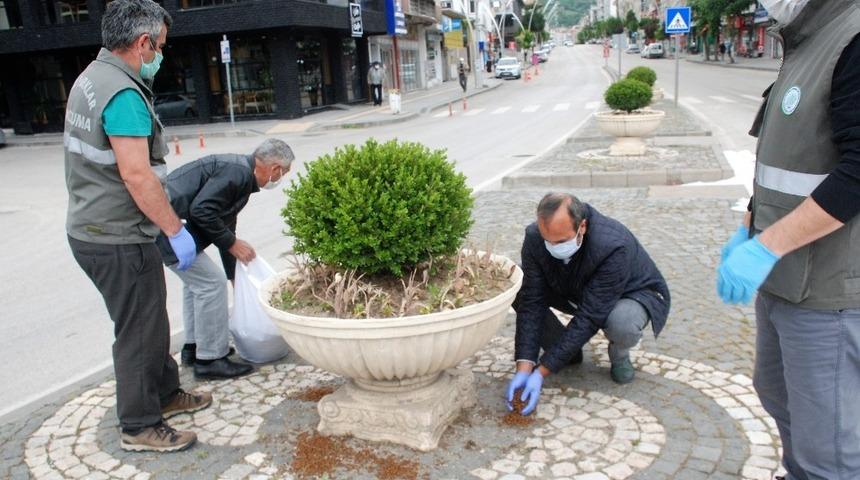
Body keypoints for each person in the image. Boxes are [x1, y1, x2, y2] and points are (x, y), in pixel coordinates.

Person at [717, 1, 860, 478]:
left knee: (831, 446)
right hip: (781, 279)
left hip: (827, 291)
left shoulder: (850, 36)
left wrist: (766, 246)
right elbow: (783, 165)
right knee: (776, 395)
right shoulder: (804, 40)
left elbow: (857, 173)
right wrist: (746, 232)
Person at [64, 0, 210, 453]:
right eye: (160, 47)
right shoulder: (123, 95)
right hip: (119, 237)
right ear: (143, 43)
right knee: (138, 332)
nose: (161, 56)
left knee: (150, 322)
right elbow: (136, 175)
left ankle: (166, 394)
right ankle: (140, 426)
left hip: (96, 228)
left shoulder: (93, 78)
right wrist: (174, 229)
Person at [506, 193, 670, 415]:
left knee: (622, 323)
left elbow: (590, 315)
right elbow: (532, 303)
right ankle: (565, 354)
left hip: (628, 294)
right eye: (548, 241)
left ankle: (620, 356)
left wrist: (541, 373)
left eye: (561, 241)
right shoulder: (534, 237)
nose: (553, 247)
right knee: (519, 286)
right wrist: (524, 367)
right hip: (572, 287)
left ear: (582, 226)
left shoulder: (613, 245)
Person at [156, 139, 294, 379]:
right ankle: (211, 360)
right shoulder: (238, 173)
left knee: (197, 286)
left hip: (173, 227)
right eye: (283, 173)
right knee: (210, 284)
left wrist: (234, 274)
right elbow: (202, 210)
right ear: (275, 168)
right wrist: (232, 244)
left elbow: (226, 224)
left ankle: (194, 347)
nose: (279, 178)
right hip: (169, 228)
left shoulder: (240, 174)